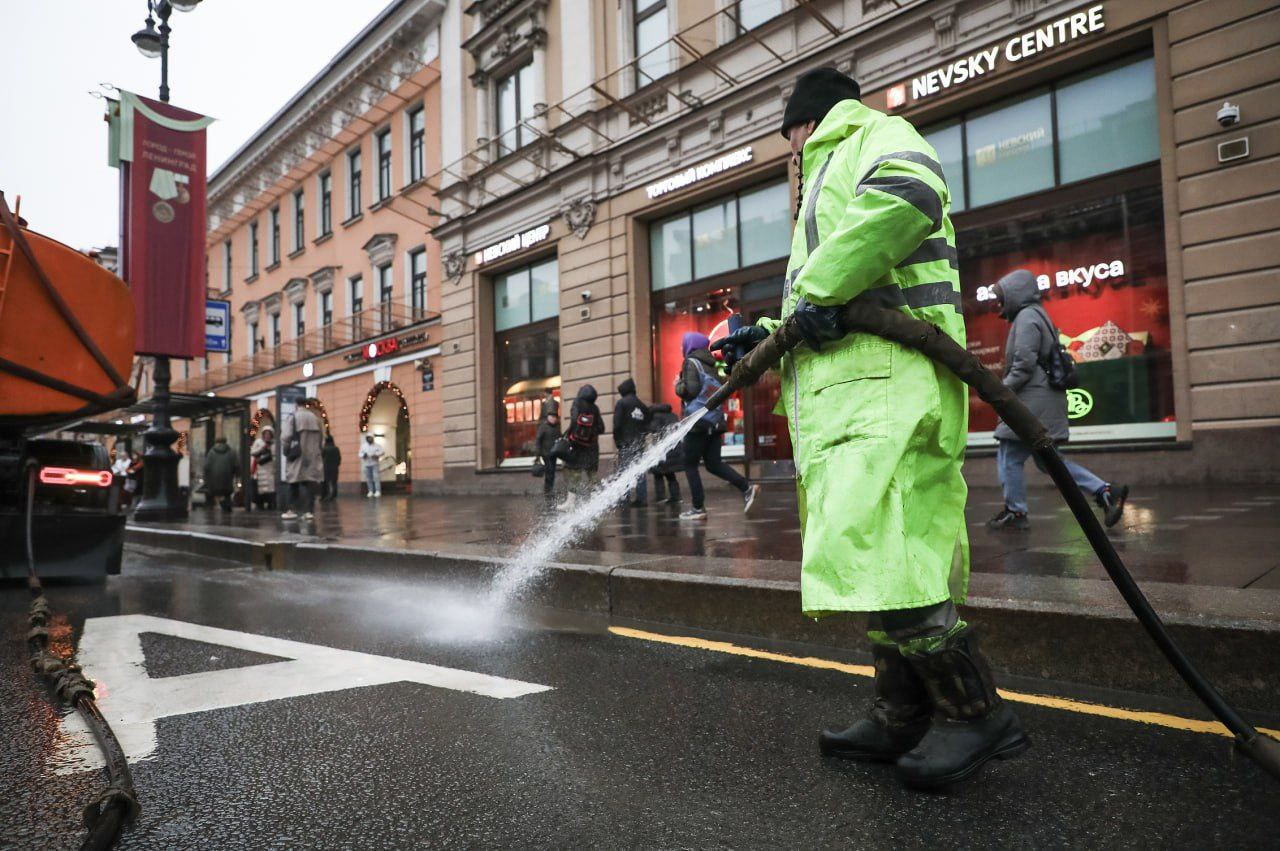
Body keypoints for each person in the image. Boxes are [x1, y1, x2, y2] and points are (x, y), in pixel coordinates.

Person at [714, 67, 1026, 789]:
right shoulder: (833, 168)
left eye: (790, 138)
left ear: (805, 123)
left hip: (892, 386)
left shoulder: (873, 137)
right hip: (858, 394)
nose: (790, 155)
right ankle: (903, 714)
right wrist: (767, 330)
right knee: (873, 555)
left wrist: (819, 291)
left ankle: (974, 712)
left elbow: (910, 199)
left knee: (899, 553)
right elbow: (828, 291)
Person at [985, 269, 1129, 531]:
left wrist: (1000, 392)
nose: (999, 303)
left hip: (1032, 402)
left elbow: (1023, 365)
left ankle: (1015, 512)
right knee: (1048, 460)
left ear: (1015, 294)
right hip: (1043, 400)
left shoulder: (1027, 318)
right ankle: (1104, 490)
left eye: (1002, 297)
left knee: (1009, 454)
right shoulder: (1036, 315)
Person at [674, 332, 759, 521]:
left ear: (690, 346)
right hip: (715, 421)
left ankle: (698, 508)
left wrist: (677, 385)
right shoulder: (711, 364)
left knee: (689, 463)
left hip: (698, 422)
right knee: (713, 464)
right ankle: (747, 487)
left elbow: (690, 390)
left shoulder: (691, 363)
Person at [557, 384, 605, 512]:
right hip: (592, 446)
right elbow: (601, 428)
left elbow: (573, 420)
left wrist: (569, 435)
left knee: (574, 472)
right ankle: (598, 501)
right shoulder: (595, 408)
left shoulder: (577, 403)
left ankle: (570, 503)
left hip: (577, 445)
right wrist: (590, 432)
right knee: (592, 474)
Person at [612, 378, 651, 507]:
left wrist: (618, 441)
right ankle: (642, 498)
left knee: (624, 471)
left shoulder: (621, 403)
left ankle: (624, 499)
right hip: (639, 443)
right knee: (639, 471)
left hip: (626, 443)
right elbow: (648, 424)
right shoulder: (642, 405)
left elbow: (617, 424)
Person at [281, 403, 323, 520]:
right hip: (312, 456)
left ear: (296, 405)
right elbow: (321, 438)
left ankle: (291, 510)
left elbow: (286, 437)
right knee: (310, 483)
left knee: (293, 483)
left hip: (297, 455)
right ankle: (309, 511)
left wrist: (286, 452)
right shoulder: (315, 418)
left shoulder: (293, 417)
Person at [647, 403, 682, 504]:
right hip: (673, 448)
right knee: (670, 474)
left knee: (658, 474)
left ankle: (661, 497)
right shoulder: (673, 415)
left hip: (662, 450)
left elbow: (654, 431)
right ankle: (676, 497)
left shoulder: (655, 417)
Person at [202, 435, 239, 512]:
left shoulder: (211, 452)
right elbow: (237, 465)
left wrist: (206, 478)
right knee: (226, 493)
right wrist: (237, 475)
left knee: (216, 493)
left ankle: (217, 506)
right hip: (227, 477)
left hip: (214, 478)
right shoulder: (232, 452)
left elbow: (206, 466)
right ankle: (226, 506)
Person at [535, 409, 560, 502]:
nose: (554, 419)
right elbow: (538, 440)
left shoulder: (557, 427)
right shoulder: (543, 427)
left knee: (552, 472)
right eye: (552, 417)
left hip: (554, 453)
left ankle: (549, 489)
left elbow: (559, 438)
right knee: (549, 472)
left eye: (555, 417)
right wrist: (538, 454)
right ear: (548, 417)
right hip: (546, 454)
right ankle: (548, 491)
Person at [250, 426, 277, 511]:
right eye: (265, 434)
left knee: (270, 488)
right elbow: (253, 452)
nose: (267, 436)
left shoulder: (274, 444)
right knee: (260, 488)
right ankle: (259, 504)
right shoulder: (258, 442)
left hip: (270, 469)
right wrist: (262, 448)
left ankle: (270, 503)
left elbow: (275, 456)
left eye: (269, 434)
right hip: (260, 469)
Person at [321, 434, 342, 502]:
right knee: (334, 482)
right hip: (335, 468)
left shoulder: (324, 449)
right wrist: (337, 464)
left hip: (326, 468)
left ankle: (326, 495)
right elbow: (339, 458)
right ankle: (334, 495)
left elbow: (321, 458)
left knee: (325, 482)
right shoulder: (336, 448)